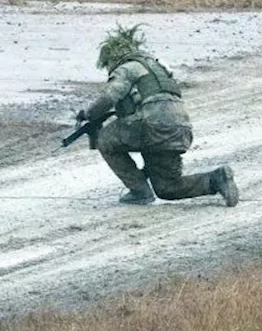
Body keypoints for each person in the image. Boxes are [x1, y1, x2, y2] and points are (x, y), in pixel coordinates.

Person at [77, 25, 237, 206]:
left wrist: (88, 114)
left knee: (105, 138)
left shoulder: (128, 68)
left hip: (150, 125)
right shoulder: (160, 69)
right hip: (179, 129)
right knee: (167, 188)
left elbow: (110, 96)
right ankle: (216, 179)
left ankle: (139, 191)